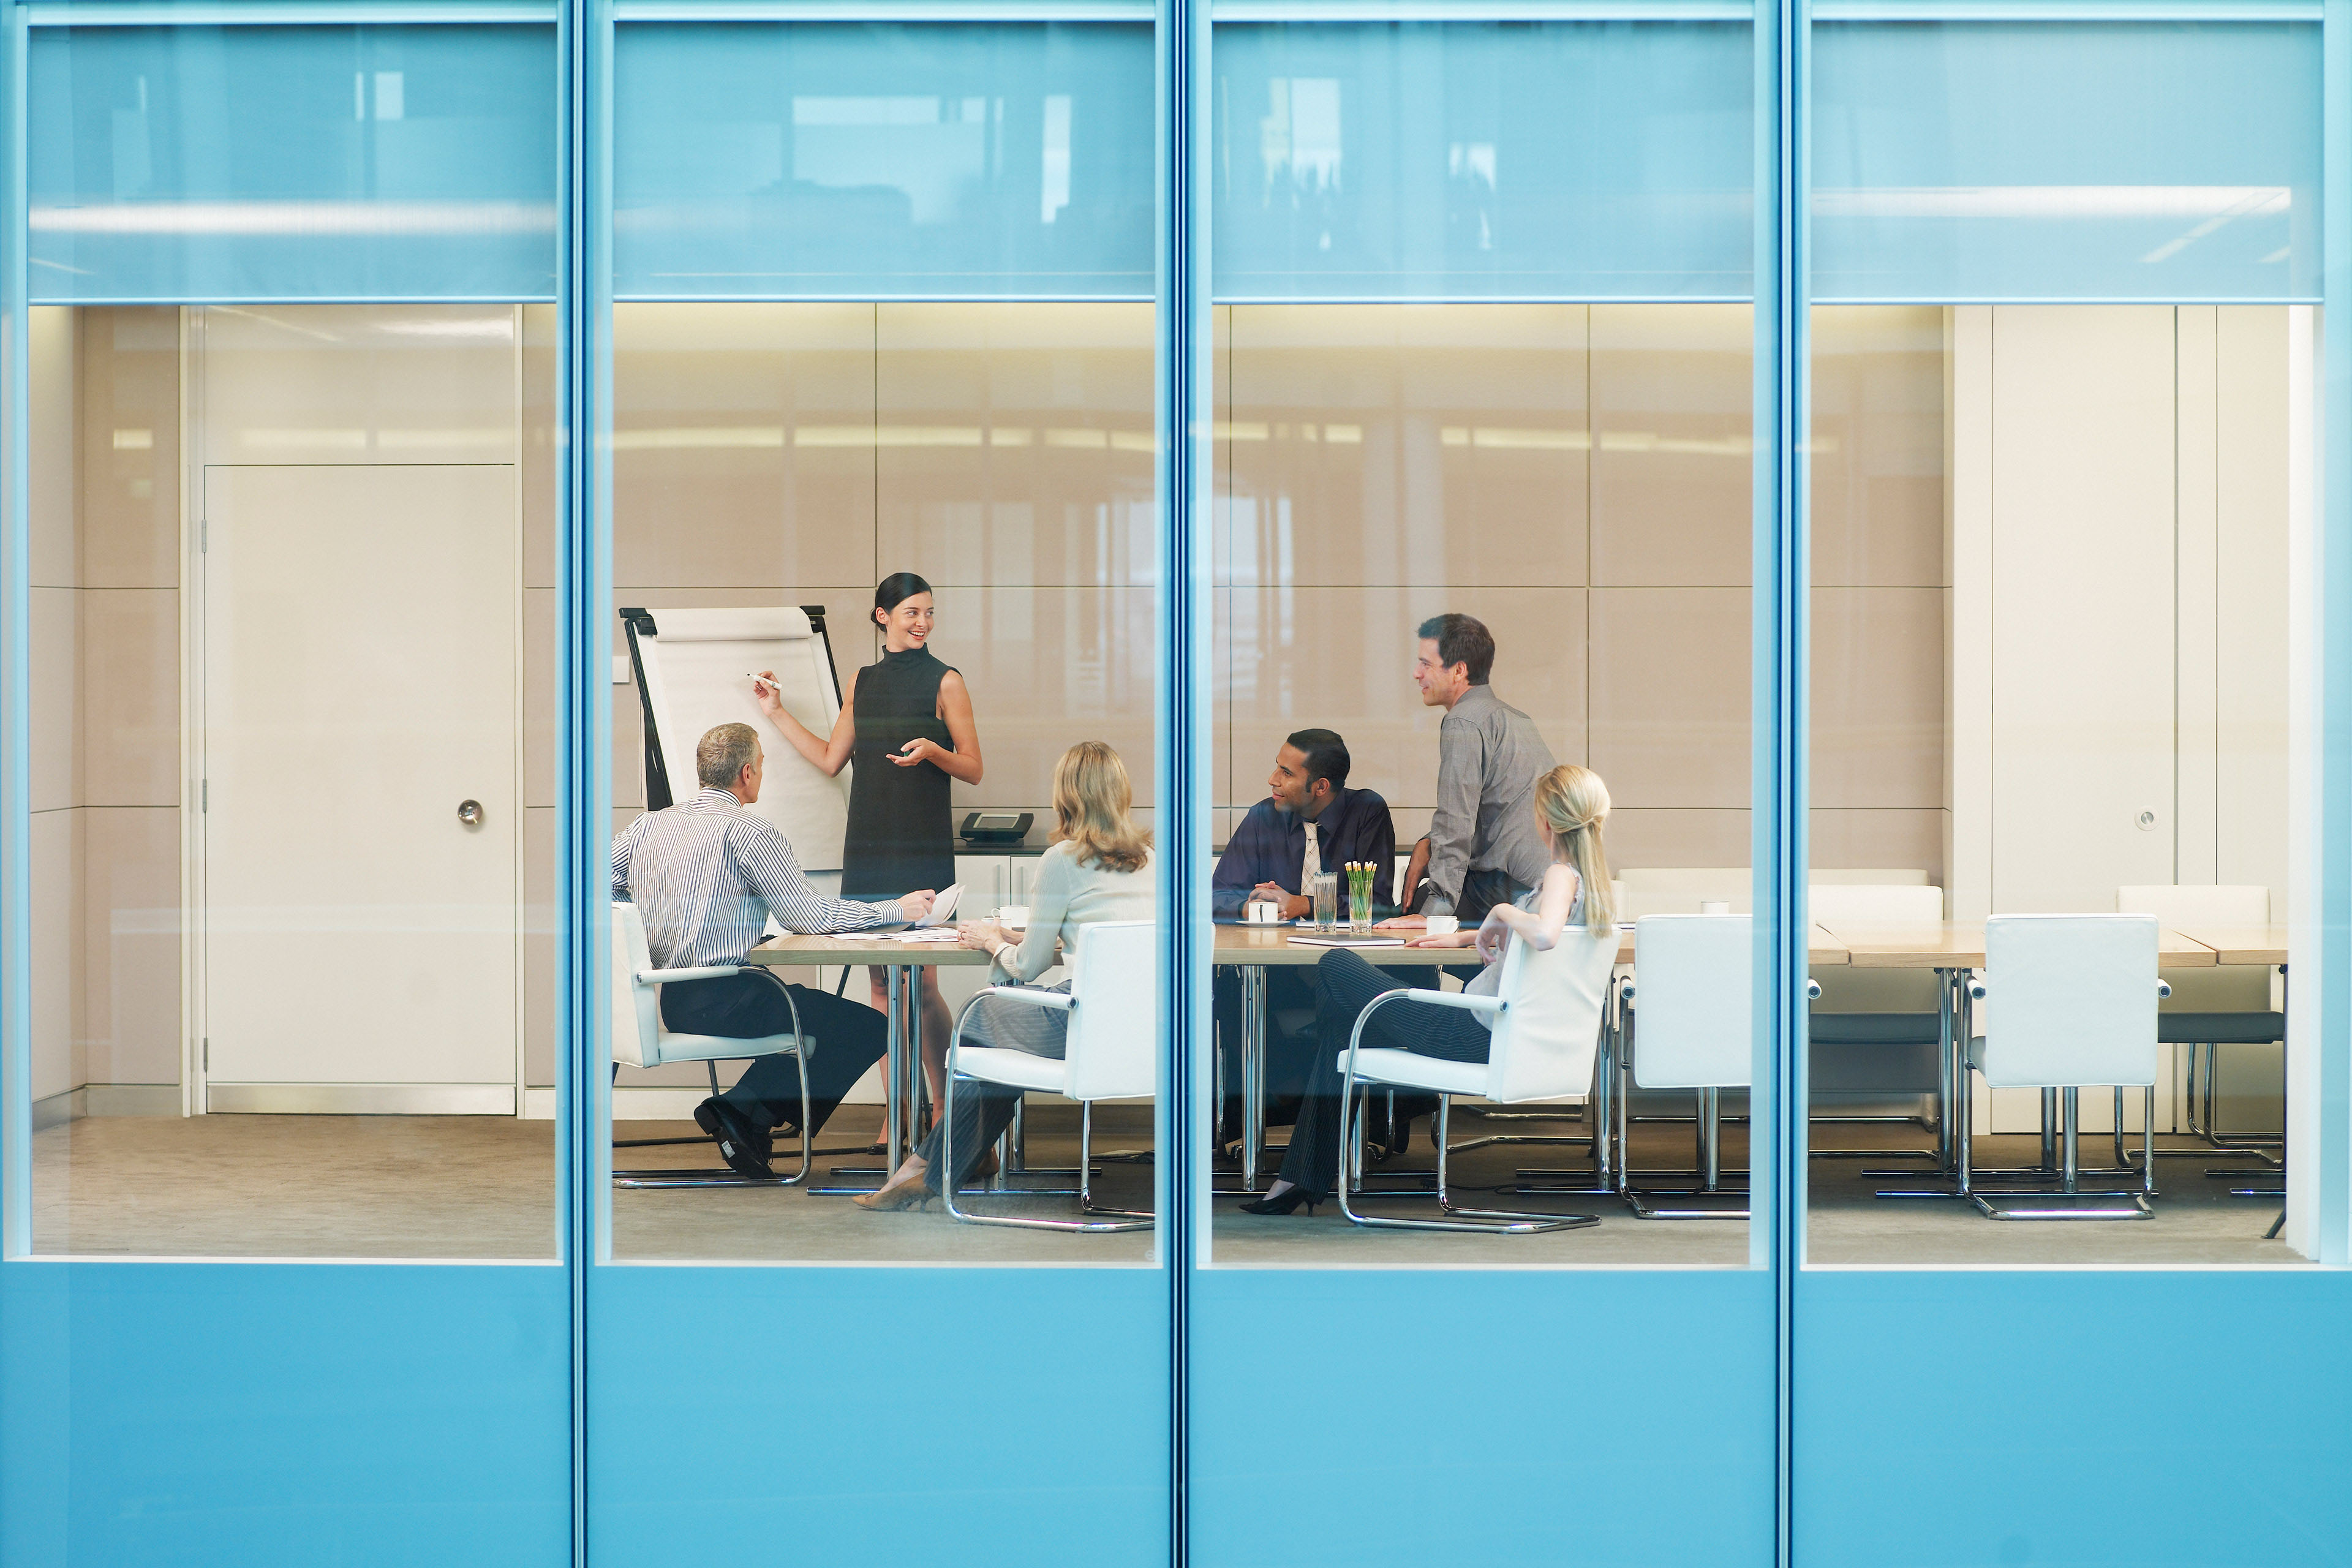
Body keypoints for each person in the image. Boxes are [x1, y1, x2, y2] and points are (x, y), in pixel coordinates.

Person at [1240, 764, 1615, 1214]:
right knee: (1346, 1029)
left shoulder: (1561, 875)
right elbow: (1539, 937)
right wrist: (1462, 937)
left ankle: (1300, 1166)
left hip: (1471, 1033)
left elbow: (1545, 935)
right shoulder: (1595, 888)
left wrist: (1499, 910)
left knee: (1336, 964)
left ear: (1547, 821)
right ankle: (1296, 1179)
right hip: (1494, 1034)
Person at [611, 722, 937, 1178]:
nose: (761, 773)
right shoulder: (749, 833)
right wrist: (896, 908)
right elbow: (811, 919)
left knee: (818, 1016)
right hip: (732, 998)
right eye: (761, 766)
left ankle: (748, 1121)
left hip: (672, 999)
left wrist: (641, 921)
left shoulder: (649, 827)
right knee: (866, 1026)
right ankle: (742, 1113)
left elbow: (596, 884)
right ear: (746, 773)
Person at [854, 741, 1155, 1211]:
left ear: (1067, 796)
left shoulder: (1063, 858)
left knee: (983, 1013)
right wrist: (1024, 935)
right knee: (998, 1021)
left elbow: (1030, 967)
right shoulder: (1152, 860)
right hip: (1155, 1029)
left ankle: (937, 1165)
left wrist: (993, 941)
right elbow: (1109, 941)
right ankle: (960, 1158)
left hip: (1087, 1025)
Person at [754, 571, 982, 1119]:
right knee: (880, 987)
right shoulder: (861, 681)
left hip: (920, 843)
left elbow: (973, 768)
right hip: (869, 844)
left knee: (923, 984)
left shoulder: (946, 681)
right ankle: (897, 1115)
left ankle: (943, 1105)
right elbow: (833, 759)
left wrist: (934, 751)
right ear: (883, 616)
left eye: (929, 613)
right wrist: (777, 712)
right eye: (912, 613)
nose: (923, 623)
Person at [1211, 729, 1398, 1138]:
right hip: (1278, 976)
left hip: (1352, 972)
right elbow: (1216, 894)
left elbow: (1380, 904)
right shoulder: (1264, 815)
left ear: (1320, 787)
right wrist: (1251, 903)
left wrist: (1305, 904)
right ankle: (1249, 1121)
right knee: (1225, 989)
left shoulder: (1366, 812)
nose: (1272, 780)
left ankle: (1350, 1129)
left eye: (1285, 772)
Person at [1384, 612, 1556, 932]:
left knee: (1401, 924)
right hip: (1545, 890)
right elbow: (1492, 811)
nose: (1416, 674)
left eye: (1426, 664)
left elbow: (1456, 821)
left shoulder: (1463, 722)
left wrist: (1435, 911)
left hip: (1508, 889)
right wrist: (1429, 842)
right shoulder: (1514, 718)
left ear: (1459, 670)